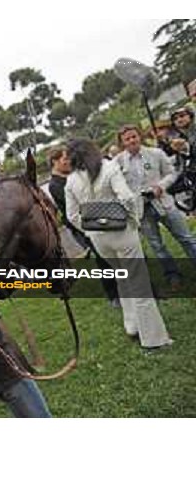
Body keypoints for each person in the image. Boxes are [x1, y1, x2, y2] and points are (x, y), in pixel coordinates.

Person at [65, 139, 172, 350]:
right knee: (138, 283)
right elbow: (127, 198)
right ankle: (154, 339)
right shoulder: (108, 167)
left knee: (122, 279)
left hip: (99, 239)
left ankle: (132, 325)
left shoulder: (71, 181)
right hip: (122, 232)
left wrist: (90, 229)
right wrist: (134, 220)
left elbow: (71, 215)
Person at [115, 124, 196, 288]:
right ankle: (172, 274)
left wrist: (161, 186)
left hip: (163, 202)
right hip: (141, 209)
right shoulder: (117, 163)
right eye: (127, 139)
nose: (132, 141)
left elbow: (172, 172)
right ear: (122, 143)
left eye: (134, 136)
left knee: (185, 237)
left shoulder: (155, 153)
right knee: (157, 245)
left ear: (140, 137)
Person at [45, 147, 119, 305]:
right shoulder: (55, 185)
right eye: (64, 160)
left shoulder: (71, 176)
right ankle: (113, 294)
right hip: (81, 225)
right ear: (55, 162)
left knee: (108, 254)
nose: (68, 162)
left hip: (93, 218)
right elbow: (73, 208)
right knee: (102, 258)